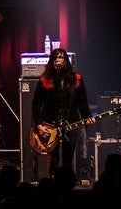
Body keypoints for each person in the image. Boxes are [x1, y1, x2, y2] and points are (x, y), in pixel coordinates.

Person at [31, 47, 95, 179]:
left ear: (65, 60)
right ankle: (52, 181)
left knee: (68, 157)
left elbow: (82, 102)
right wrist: (38, 124)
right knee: (53, 159)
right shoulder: (45, 80)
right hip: (50, 124)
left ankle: (66, 183)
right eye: (55, 58)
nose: (57, 60)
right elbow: (36, 103)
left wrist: (88, 117)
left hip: (71, 122)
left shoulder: (76, 79)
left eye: (60, 57)